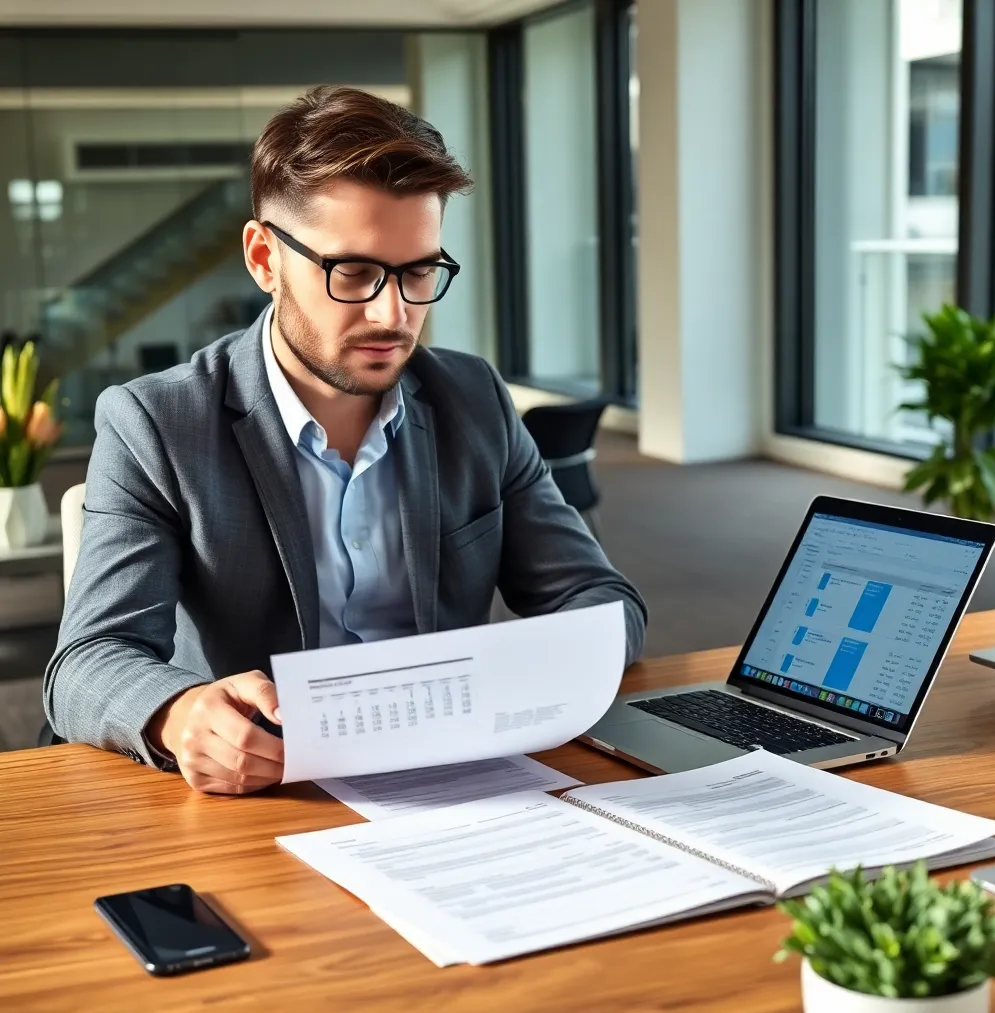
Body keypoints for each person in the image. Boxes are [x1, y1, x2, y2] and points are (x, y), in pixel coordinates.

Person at [43, 86, 647, 796]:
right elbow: (87, 661)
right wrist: (179, 713)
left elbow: (601, 600)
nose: (393, 313)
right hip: (266, 795)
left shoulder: (473, 399)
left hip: (463, 781)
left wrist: (513, 677)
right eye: (353, 272)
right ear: (265, 259)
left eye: (419, 270)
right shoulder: (157, 423)